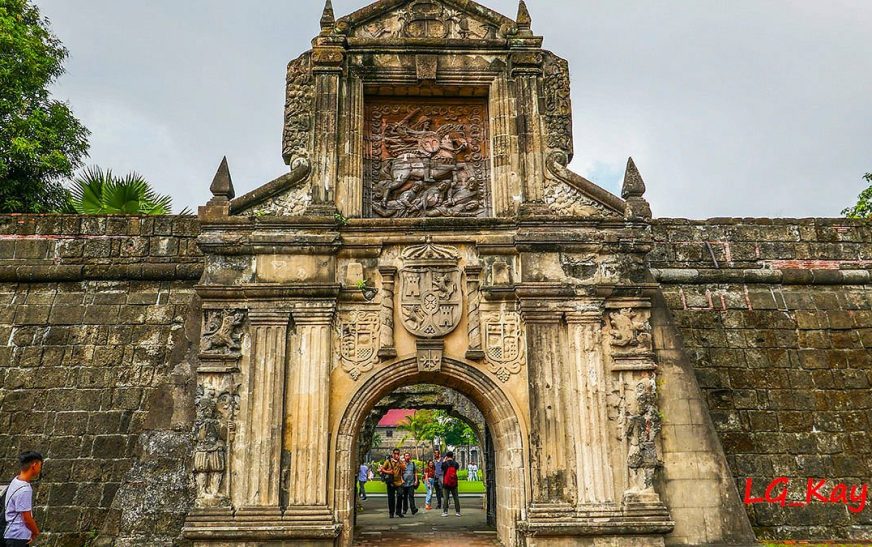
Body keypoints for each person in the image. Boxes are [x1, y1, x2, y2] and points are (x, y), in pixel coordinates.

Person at [3, 451, 43, 547]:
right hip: (18, 537)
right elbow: (26, 517)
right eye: (40, 465)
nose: (40, 468)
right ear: (34, 465)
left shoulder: (15, 481)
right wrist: (35, 532)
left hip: (10, 533)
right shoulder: (25, 489)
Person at [378, 449, 406, 518]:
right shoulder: (388, 461)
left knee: (400, 495)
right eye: (395, 453)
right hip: (391, 482)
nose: (396, 455)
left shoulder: (400, 461)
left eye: (398, 454)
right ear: (393, 454)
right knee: (391, 498)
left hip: (399, 482)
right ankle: (391, 512)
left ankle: (398, 511)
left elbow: (404, 468)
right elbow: (382, 470)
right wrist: (389, 472)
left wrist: (399, 461)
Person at [440, 451, 461, 517]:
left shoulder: (444, 464)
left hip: (446, 483)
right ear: (452, 456)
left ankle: (445, 512)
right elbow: (456, 470)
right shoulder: (456, 464)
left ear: (447, 456)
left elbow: (442, 469)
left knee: (446, 498)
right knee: (456, 498)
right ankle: (458, 512)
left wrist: (444, 460)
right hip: (454, 483)